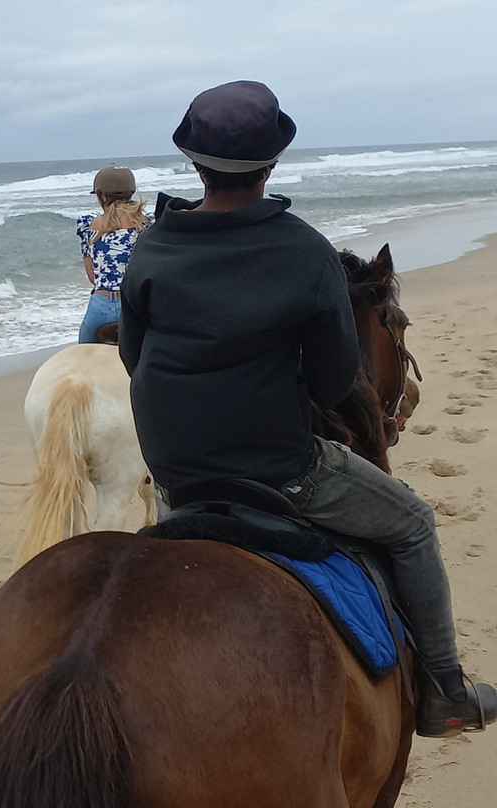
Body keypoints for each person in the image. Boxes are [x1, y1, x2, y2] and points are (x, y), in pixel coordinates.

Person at [117, 80, 496, 738]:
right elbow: (329, 384)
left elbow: (133, 355)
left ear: (193, 162)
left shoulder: (153, 247)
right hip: (280, 469)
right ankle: (445, 693)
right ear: (273, 163)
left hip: (178, 472)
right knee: (411, 523)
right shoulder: (305, 251)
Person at [75, 164, 150, 343]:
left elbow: (93, 277)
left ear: (101, 195)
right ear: (131, 192)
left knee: (81, 356)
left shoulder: (88, 226)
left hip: (100, 307)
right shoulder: (148, 224)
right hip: (135, 306)